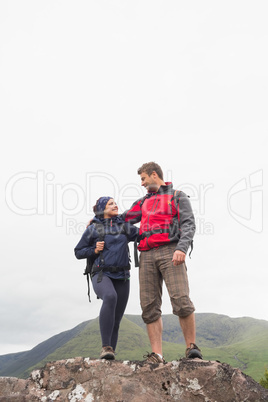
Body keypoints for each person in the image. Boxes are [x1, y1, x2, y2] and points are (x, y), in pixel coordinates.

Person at [122, 162, 202, 363]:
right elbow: (124, 219)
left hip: (170, 251)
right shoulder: (142, 203)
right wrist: (100, 219)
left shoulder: (177, 196)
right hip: (146, 255)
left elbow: (189, 224)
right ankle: (157, 355)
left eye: (143, 179)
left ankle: (191, 348)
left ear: (154, 175)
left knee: (181, 299)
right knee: (148, 306)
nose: (141, 183)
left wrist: (181, 248)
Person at [74, 197, 138, 360]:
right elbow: (78, 251)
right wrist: (94, 250)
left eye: (116, 203)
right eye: (111, 204)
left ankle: (110, 355)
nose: (115, 205)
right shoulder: (93, 228)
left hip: (123, 276)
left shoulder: (124, 227)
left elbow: (145, 233)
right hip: (101, 274)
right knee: (110, 297)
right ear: (102, 208)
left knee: (116, 320)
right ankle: (105, 347)